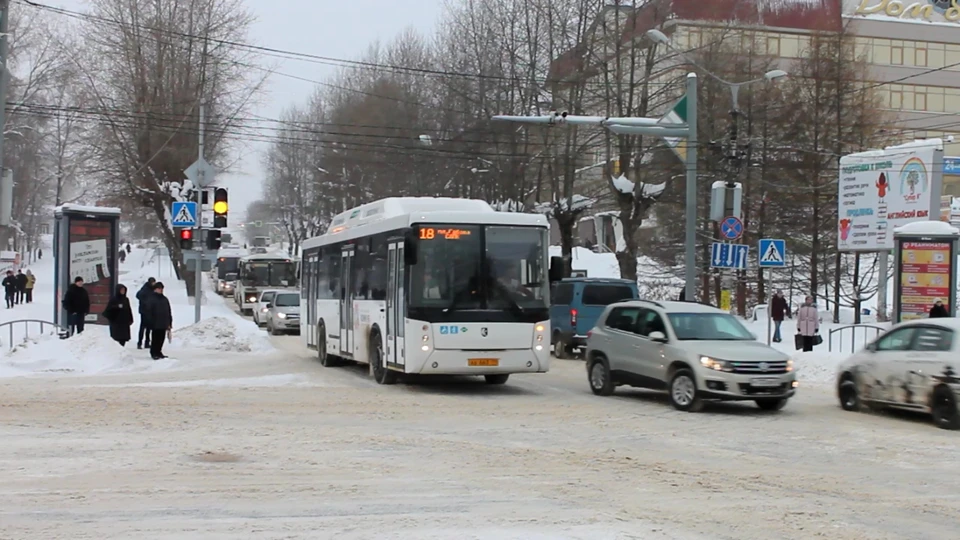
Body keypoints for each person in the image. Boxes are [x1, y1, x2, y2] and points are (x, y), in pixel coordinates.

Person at [144, 281, 172, 360]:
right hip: (155, 323)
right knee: (155, 338)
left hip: (163, 323)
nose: (161, 290)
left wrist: (169, 322)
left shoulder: (164, 299)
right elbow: (148, 311)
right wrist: (150, 321)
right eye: (159, 288)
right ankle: (154, 352)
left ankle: (159, 351)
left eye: (161, 288)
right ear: (155, 289)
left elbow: (168, 311)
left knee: (161, 338)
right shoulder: (151, 299)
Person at [135, 277, 157, 349]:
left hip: (150, 311)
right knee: (143, 327)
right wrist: (146, 303)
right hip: (144, 311)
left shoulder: (152, 289)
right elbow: (138, 295)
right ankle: (140, 342)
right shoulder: (145, 289)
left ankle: (147, 342)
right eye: (153, 282)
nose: (154, 284)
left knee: (149, 328)